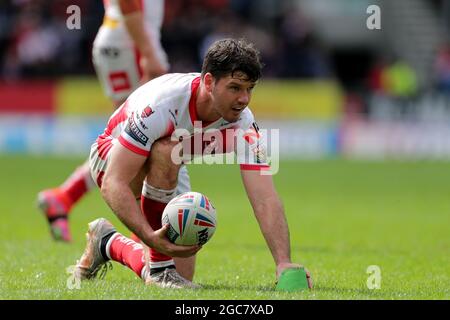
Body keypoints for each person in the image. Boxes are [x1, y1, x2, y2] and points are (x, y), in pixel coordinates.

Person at [71, 38, 313, 290]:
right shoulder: (162, 105)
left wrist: (283, 262)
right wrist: (149, 237)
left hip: (168, 162)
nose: (244, 99)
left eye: (249, 89)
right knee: (167, 152)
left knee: (183, 277)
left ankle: (108, 243)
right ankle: (159, 269)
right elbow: (113, 182)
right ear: (209, 82)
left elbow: (265, 197)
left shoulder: (243, 123)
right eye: (235, 88)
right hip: (112, 157)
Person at [37, 0, 168, 242]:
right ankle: (141, 236)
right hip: (130, 42)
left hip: (121, 38)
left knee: (127, 137)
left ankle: (65, 196)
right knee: (143, 136)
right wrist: (149, 52)